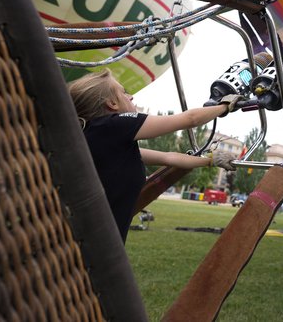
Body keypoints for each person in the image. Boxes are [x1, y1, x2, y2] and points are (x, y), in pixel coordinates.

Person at [67, 69, 242, 243]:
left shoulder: (98, 137)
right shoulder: (114, 125)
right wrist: (225, 106)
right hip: (95, 244)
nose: (131, 96)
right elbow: (191, 119)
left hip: (83, 237)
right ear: (112, 103)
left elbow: (169, 158)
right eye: (124, 92)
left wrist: (210, 161)